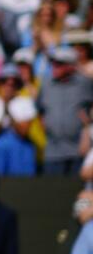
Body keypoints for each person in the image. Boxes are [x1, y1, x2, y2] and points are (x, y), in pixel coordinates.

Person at [39, 46, 93, 175]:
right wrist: (46, 126)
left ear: (70, 66)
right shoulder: (46, 84)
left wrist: (87, 127)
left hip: (78, 150)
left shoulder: (84, 83)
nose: (54, 66)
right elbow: (40, 109)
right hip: (53, 150)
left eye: (59, 64)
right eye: (53, 63)